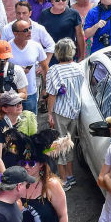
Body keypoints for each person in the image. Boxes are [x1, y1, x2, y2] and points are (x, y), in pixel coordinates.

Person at [44, 38, 83, 190]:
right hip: (76, 110)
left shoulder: (54, 70)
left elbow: (52, 94)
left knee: (60, 144)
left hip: (61, 111)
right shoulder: (78, 67)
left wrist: (49, 113)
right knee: (70, 142)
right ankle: (71, 175)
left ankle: (64, 179)